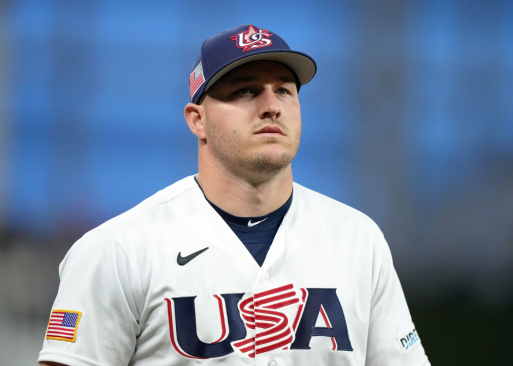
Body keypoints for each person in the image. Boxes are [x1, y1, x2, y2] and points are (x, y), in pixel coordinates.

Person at [39, 24, 430, 366]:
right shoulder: (118, 250)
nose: (271, 106)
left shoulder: (358, 241)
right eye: (245, 91)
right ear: (198, 120)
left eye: (284, 90)